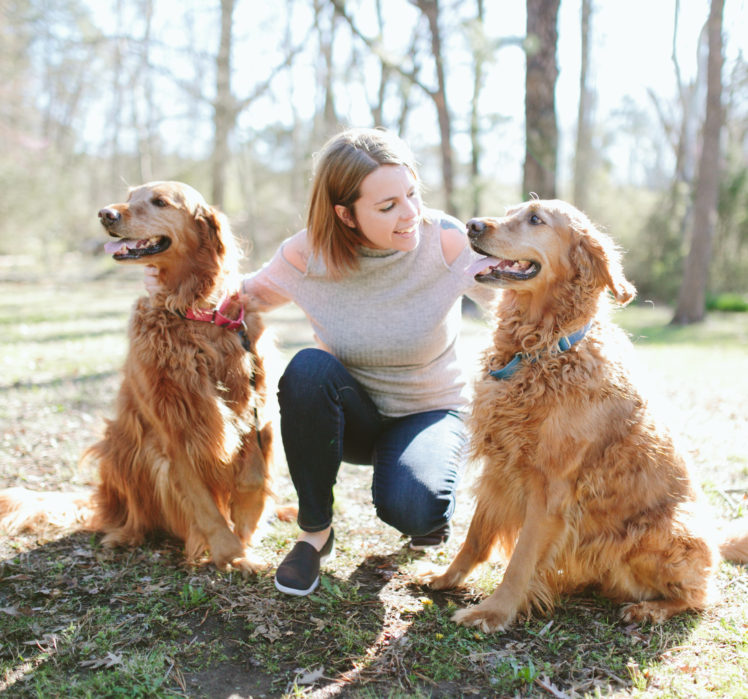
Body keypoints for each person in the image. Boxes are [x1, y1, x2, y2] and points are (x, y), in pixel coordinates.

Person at [147, 127, 496, 597]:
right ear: (345, 214)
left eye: (412, 194)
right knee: (308, 368)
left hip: (429, 412)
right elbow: (241, 296)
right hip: (350, 417)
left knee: (415, 509)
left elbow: (515, 304)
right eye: (388, 205)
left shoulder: (446, 241)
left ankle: (426, 508)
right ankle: (315, 535)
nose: (411, 213)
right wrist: (166, 282)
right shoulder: (307, 254)